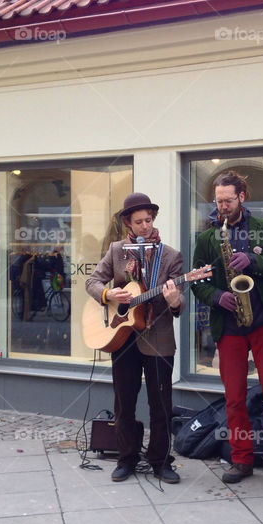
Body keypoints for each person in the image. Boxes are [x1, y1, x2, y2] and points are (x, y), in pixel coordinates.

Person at [192, 171, 263, 489]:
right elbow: (198, 281)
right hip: (231, 327)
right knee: (234, 398)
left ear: (242, 197)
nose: (222, 206)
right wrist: (216, 296)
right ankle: (241, 458)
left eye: (227, 200)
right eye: (218, 201)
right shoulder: (209, 238)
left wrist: (251, 260)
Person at [85, 192, 184, 483]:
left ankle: (161, 460)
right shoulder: (116, 250)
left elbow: (180, 306)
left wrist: (175, 299)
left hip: (159, 338)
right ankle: (126, 458)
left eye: (149, 220)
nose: (145, 225)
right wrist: (108, 293)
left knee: (161, 403)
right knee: (124, 402)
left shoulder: (171, 256)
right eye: (139, 221)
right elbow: (92, 281)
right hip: (124, 336)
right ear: (128, 222)